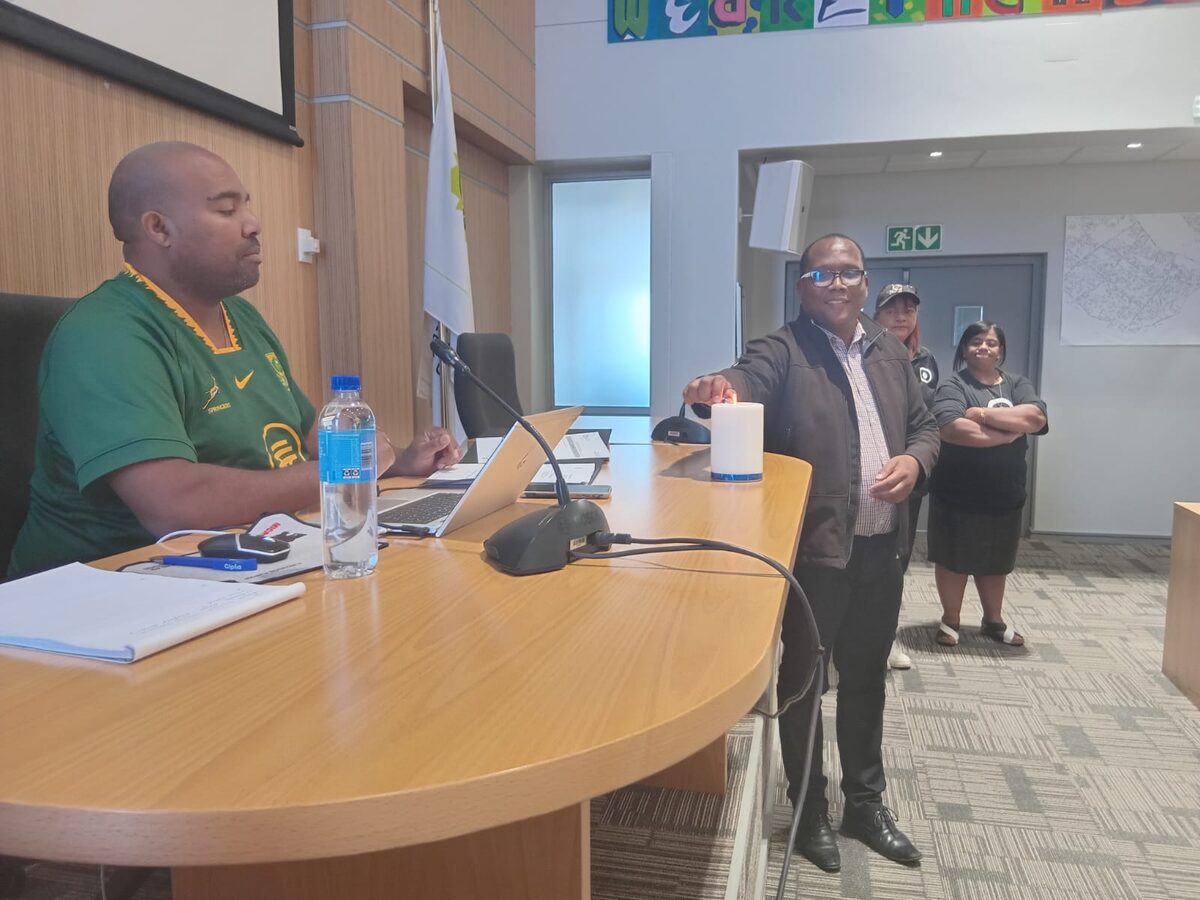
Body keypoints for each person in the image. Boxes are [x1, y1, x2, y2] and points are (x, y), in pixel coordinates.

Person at [8, 142, 460, 578]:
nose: (252, 224)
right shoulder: (104, 334)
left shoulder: (239, 314)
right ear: (159, 228)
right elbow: (174, 506)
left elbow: (305, 438)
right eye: (227, 211)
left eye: (247, 206)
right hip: (111, 590)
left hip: (251, 558)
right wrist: (347, 470)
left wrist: (396, 461)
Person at [683, 234, 939, 873]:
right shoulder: (784, 349)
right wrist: (716, 388)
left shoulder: (890, 352)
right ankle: (808, 810)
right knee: (803, 685)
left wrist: (914, 460)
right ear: (803, 286)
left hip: (884, 546)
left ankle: (865, 804)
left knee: (866, 680)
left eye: (847, 273)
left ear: (863, 281)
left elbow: (928, 425)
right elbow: (743, 379)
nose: (836, 283)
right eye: (822, 274)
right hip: (817, 552)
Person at [927, 321, 1048, 648]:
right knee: (953, 559)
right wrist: (1010, 432)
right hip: (957, 491)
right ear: (964, 349)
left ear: (1001, 351)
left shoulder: (1017, 383)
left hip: (1005, 492)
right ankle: (950, 620)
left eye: (991, 343)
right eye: (976, 341)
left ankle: (993, 620)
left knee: (997, 560)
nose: (984, 347)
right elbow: (952, 429)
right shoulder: (953, 384)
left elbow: (1035, 419)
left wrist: (980, 414)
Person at [872, 283, 939, 671]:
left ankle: (886, 636)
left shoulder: (926, 359)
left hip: (909, 478)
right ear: (876, 313)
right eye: (892, 309)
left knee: (898, 561)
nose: (901, 316)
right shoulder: (864, 353)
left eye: (909, 310)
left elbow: (924, 420)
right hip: (867, 474)